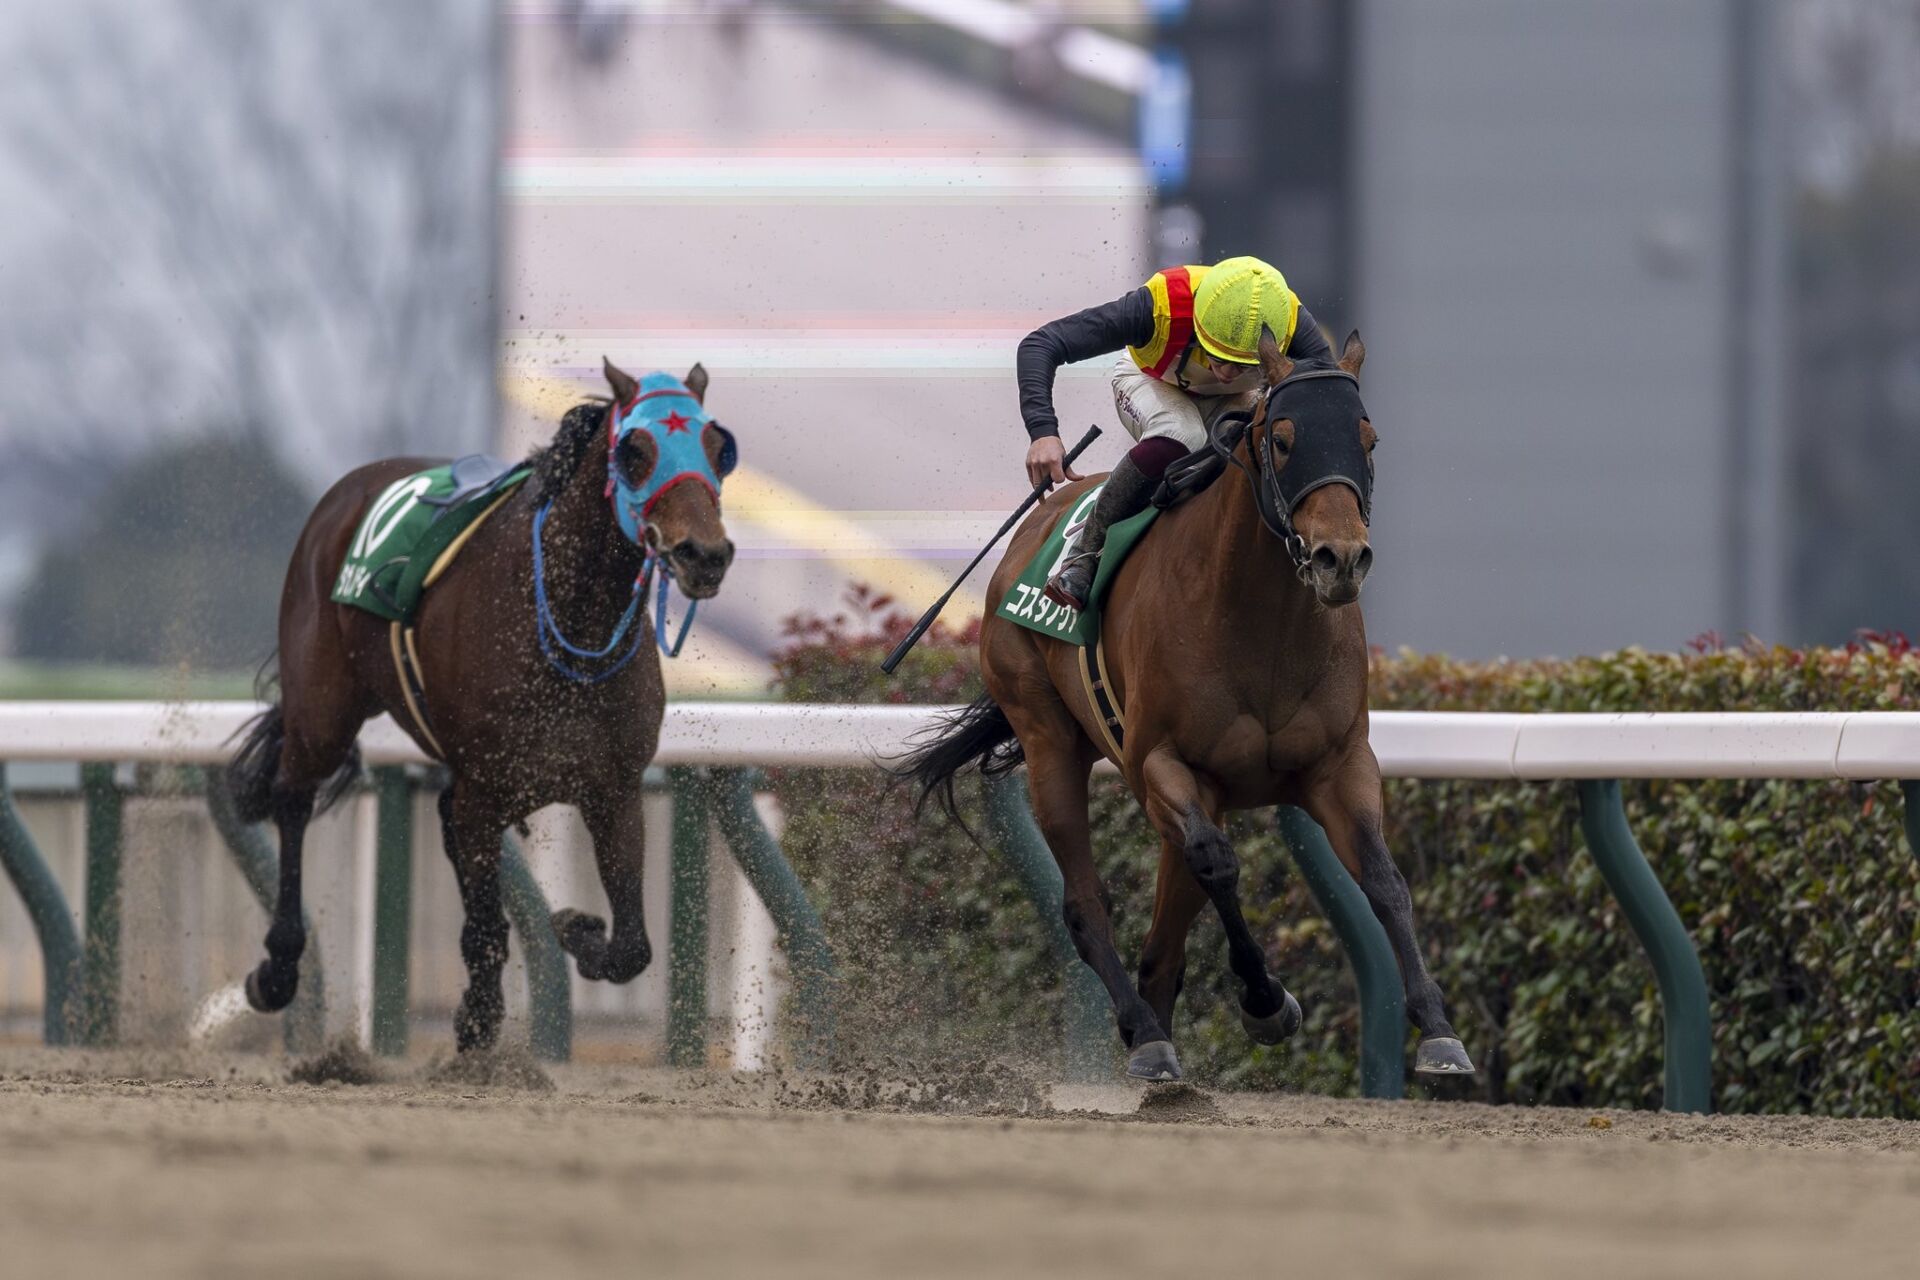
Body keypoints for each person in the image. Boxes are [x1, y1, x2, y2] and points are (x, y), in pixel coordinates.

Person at [1016, 255, 1333, 609]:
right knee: (1184, 436)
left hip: (1236, 402)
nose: (1226, 373)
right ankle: (1084, 555)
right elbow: (1041, 344)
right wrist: (1043, 431)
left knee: (1258, 441)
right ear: (1197, 322)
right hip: (1150, 381)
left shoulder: (1292, 323)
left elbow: (1330, 398)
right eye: (1217, 355)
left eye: (1242, 362)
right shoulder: (1158, 306)